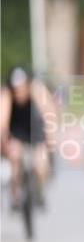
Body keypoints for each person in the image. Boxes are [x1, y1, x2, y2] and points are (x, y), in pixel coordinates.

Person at [1, 66, 56, 208]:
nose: (18, 93)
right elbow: (2, 121)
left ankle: (40, 191)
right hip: (16, 131)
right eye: (16, 90)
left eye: (21, 88)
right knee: (15, 159)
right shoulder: (7, 93)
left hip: (36, 130)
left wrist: (51, 139)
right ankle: (15, 196)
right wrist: (4, 142)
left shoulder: (37, 89)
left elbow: (49, 113)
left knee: (41, 164)